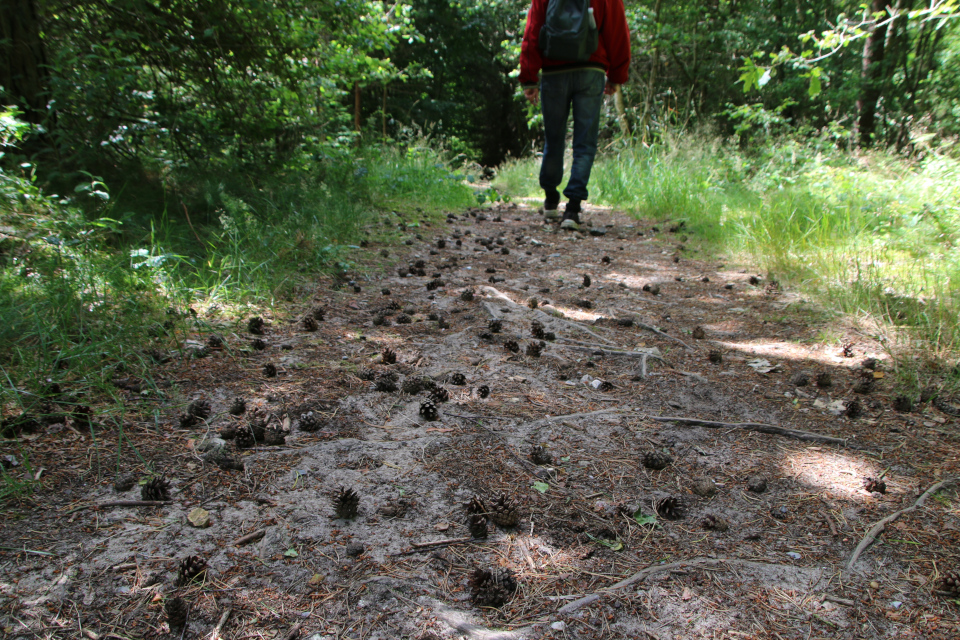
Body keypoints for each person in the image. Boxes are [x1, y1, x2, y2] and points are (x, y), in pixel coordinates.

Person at [519, 0, 630, 230]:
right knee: (585, 142)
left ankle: (551, 198)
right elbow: (618, 32)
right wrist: (617, 75)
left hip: (553, 71)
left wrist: (529, 76)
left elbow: (532, 30)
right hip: (591, 71)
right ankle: (573, 208)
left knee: (554, 137)